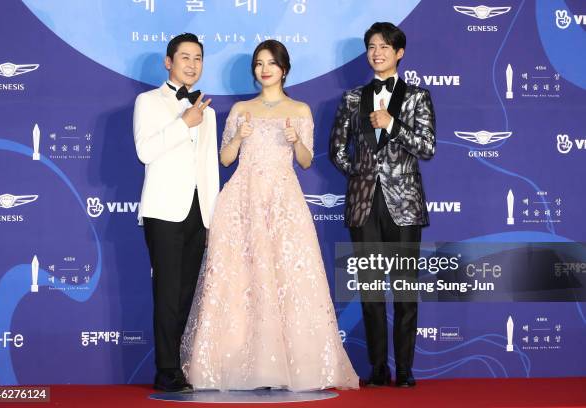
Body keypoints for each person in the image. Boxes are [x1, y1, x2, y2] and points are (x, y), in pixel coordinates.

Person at [180, 40, 359, 391]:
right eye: (259, 63)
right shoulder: (240, 110)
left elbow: (306, 161)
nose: (265, 69)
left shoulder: (300, 109)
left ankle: (292, 367)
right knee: (239, 282)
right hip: (242, 200)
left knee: (287, 280)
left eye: (271, 63)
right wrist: (238, 137)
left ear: (284, 69)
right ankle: (235, 365)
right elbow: (226, 159)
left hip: (282, 201)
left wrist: (295, 140)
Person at [330, 22, 436, 388]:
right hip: (363, 206)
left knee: (406, 292)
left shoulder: (416, 97)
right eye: (372, 46)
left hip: (404, 206)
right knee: (370, 291)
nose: (377, 52)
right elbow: (337, 149)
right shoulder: (352, 98)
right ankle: (378, 369)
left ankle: (405, 370)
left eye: (384, 47)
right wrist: (361, 173)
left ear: (399, 53)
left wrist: (392, 125)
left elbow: (427, 147)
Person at [133, 33, 219, 393]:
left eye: (198, 58)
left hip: (198, 213)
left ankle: (175, 364)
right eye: (184, 57)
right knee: (167, 292)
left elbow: (209, 169)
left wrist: (212, 220)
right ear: (168, 62)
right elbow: (144, 151)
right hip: (164, 211)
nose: (192, 64)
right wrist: (184, 122)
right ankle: (166, 370)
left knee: (185, 293)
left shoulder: (209, 111)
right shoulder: (148, 101)